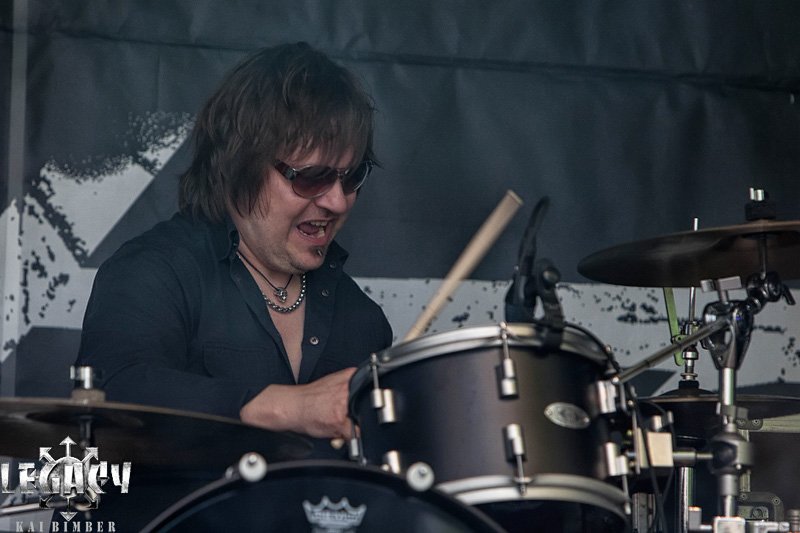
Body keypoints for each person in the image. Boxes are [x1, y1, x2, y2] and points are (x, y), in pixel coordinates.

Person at [76, 42, 393, 460]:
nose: (337, 201)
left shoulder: (364, 321)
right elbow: (111, 393)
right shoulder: (154, 271)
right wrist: (287, 408)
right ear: (239, 166)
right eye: (312, 177)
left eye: (351, 177)